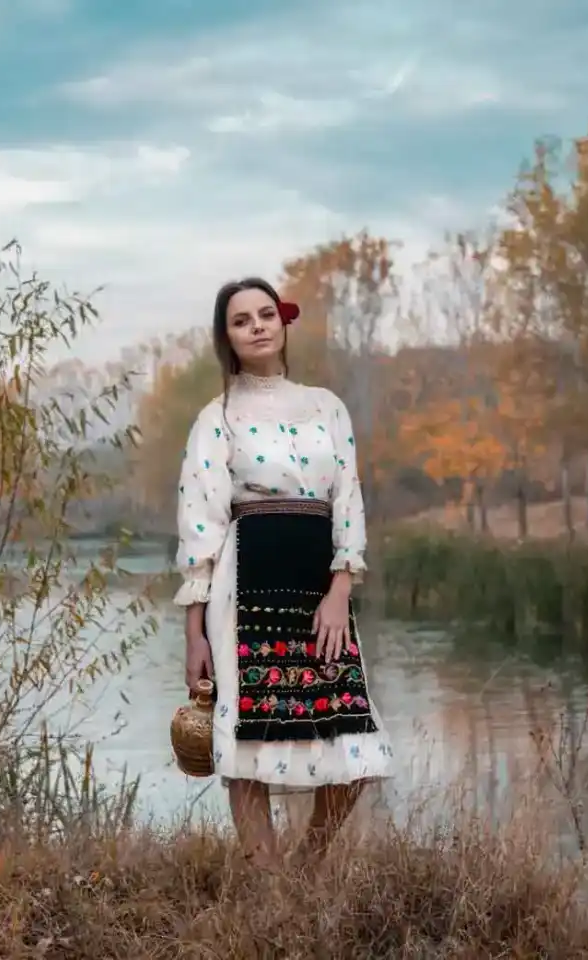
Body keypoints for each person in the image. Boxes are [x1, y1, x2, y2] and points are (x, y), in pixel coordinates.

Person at [174, 276, 394, 866]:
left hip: (318, 582)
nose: (257, 326)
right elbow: (201, 525)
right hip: (244, 581)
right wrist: (193, 632)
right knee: (248, 744)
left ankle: (305, 865)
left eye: (265, 313)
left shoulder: (327, 406)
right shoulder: (216, 415)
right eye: (241, 320)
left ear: (282, 320)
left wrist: (340, 587)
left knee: (350, 745)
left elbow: (348, 496)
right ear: (228, 337)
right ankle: (270, 891)